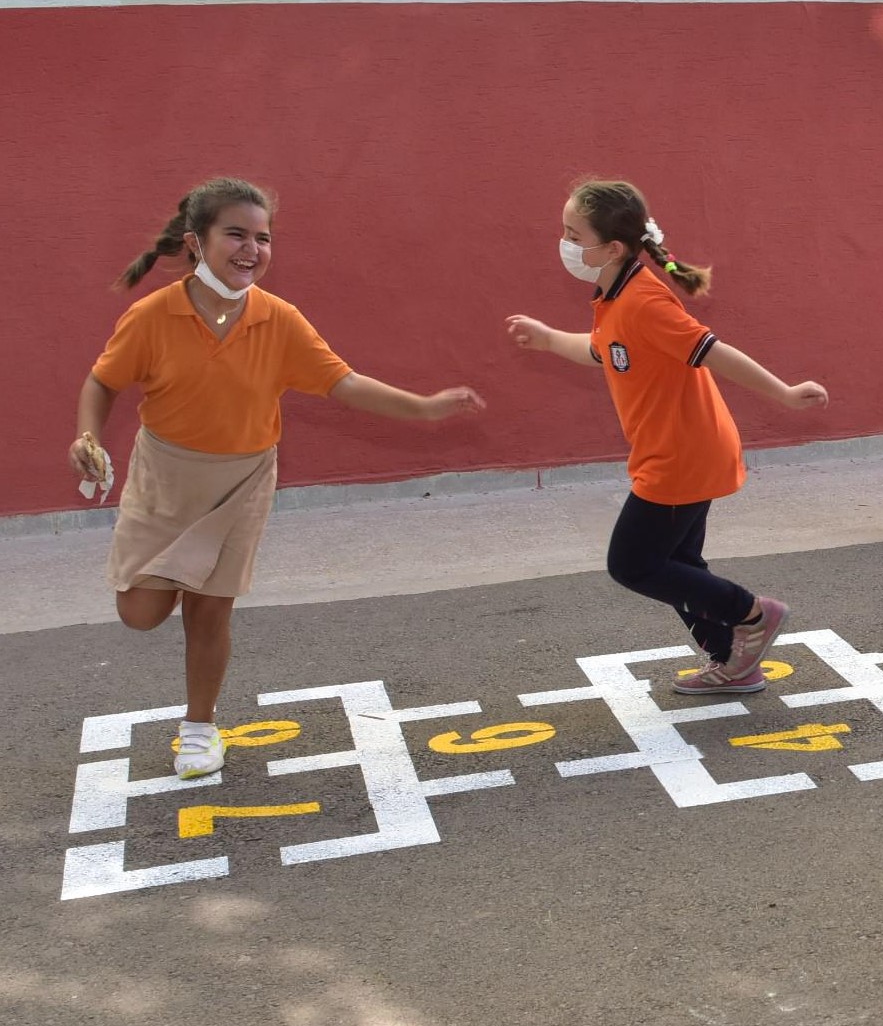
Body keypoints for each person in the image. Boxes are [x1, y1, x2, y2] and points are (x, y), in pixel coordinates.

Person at [70, 177, 484, 778]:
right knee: (141, 611)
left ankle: (199, 727)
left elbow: (345, 383)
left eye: (262, 238)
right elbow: (102, 382)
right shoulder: (152, 316)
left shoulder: (278, 319)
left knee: (210, 611)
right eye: (235, 234)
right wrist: (85, 436)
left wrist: (423, 407)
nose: (252, 249)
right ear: (196, 241)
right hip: (165, 477)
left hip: (242, 480)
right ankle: (182, 580)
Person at [506, 179, 828, 694]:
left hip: (682, 455)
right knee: (678, 564)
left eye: (573, 233)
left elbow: (712, 349)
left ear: (611, 247)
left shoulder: (644, 301)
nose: (564, 242)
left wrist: (784, 393)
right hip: (681, 449)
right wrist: (547, 340)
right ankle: (734, 661)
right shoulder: (614, 296)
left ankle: (752, 616)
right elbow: (602, 350)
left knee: (632, 563)